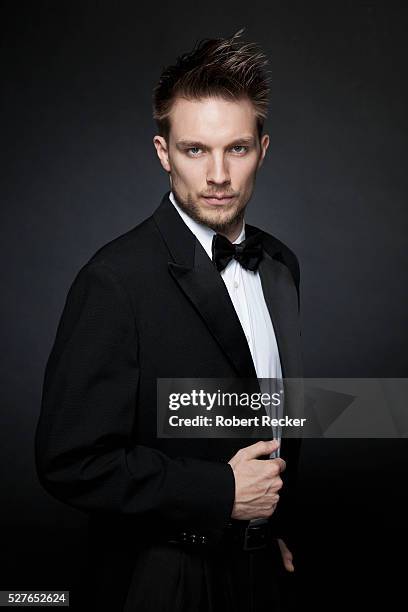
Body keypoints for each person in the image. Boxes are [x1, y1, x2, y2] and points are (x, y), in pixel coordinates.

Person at [34, 28, 303, 611]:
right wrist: (221, 490)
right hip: (166, 576)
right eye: (195, 150)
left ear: (263, 150)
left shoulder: (281, 266)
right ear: (163, 153)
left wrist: (278, 523)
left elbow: (276, 406)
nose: (218, 175)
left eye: (236, 148)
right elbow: (69, 461)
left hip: (259, 569)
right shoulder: (114, 279)